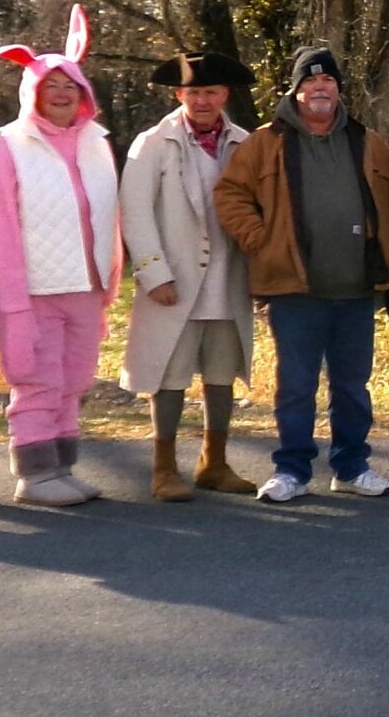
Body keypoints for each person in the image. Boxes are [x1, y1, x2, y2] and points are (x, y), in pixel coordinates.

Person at [215, 47, 389, 502]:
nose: (319, 89)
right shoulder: (266, 142)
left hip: (356, 289)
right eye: (310, 82)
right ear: (296, 90)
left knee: (352, 385)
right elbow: (230, 194)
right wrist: (261, 240)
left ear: (338, 90)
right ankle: (292, 471)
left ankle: (351, 465)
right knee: (296, 386)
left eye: (328, 82)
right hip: (293, 290)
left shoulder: (367, 141)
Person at [0, 9, 121, 507]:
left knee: (74, 381)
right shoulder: (7, 144)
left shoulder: (97, 143)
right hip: (34, 288)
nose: (61, 94)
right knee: (37, 380)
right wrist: (10, 297)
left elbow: (108, 215)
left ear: (83, 93)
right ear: (31, 91)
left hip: (86, 286)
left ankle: (61, 467)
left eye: (69, 85)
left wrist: (109, 283)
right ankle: (34, 476)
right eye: (50, 85)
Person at [118, 51, 259, 501]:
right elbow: (135, 212)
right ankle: (164, 468)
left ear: (225, 95)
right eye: (193, 92)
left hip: (228, 277)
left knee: (221, 372)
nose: (202, 100)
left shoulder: (245, 142)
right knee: (170, 374)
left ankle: (214, 463)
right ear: (180, 94)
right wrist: (152, 272)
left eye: (210, 92)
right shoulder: (153, 143)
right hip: (173, 280)